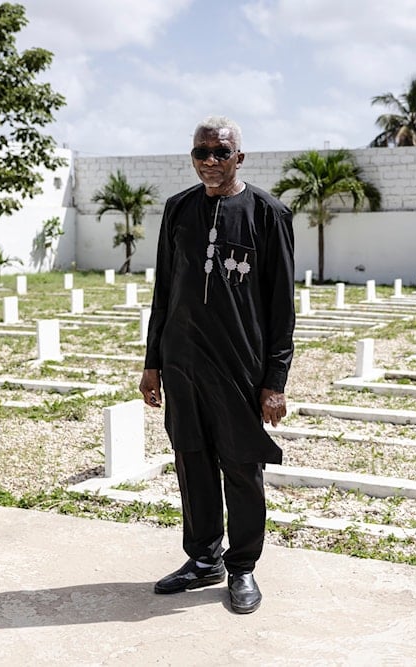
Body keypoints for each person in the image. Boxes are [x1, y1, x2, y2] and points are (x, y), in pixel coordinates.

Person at [139, 115, 295, 614]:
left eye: (220, 153)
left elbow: (281, 307)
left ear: (239, 157)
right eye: (201, 152)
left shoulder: (269, 214)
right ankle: (202, 558)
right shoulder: (178, 209)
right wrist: (152, 363)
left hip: (239, 368)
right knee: (192, 461)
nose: (209, 161)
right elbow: (164, 290)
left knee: (241, 467)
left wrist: (275, 381)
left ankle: (242, 565)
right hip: (182, 363)